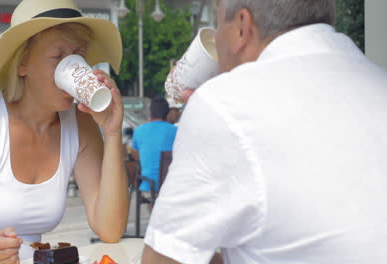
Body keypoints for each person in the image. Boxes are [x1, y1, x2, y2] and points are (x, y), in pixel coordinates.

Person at [142, 0, 387, 263]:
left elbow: (162, 260)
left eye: (217, 23)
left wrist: (214, 102)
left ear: (242, 27)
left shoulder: (224, 104)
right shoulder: (376, 80)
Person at [0, 0, 129, 263]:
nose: (73, 68)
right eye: (59, 57)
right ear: (22, 65)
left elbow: (109, 229)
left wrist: (111, 132)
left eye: (79, 56)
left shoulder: (81, 124)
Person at [131, 95, 178, 193]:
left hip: (148, 186)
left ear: (150, 113)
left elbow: (135, 155)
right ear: (167, 113)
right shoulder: (176, 131)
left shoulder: (139, 131)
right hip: (170, 187)